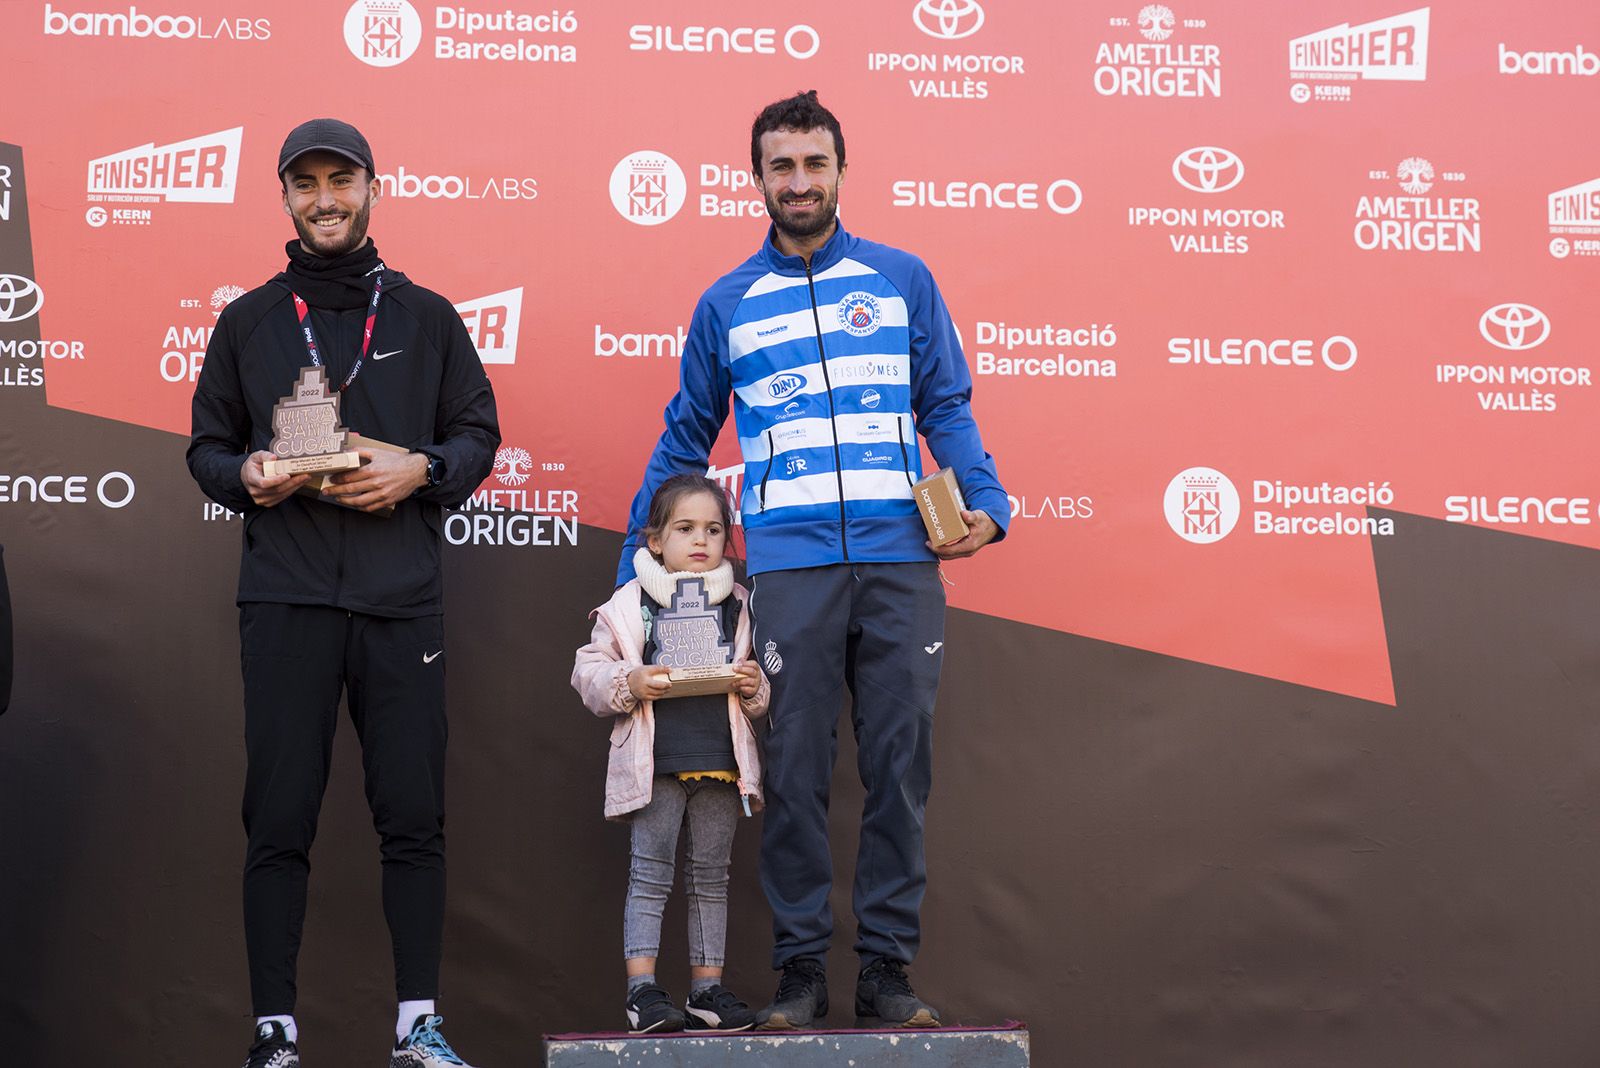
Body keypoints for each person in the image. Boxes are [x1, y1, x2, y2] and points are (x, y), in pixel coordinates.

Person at [617, 91, 1009, 1031]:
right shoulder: (727, 303)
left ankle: (884, 969)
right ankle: (800, 970)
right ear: (756, 179)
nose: (799, 182)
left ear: (841, 170)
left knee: (899, 764)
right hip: (788, 569)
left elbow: (945, 403)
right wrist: (640, 550)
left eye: (814, 164)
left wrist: (986, 500)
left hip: (902, 558)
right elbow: (685, 436)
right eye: (780, 167)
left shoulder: (904, 278)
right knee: (791, 767)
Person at [187, 118, 499, 1068]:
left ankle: (419, 1027)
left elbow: (477, 435)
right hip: (285, 598)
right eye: (307, 183)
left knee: (413, 816)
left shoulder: (426, 316)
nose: (326, 198)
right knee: (278, 818)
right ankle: (274, 1033)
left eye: (343, 179)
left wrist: (422, 472)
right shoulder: (246, 321)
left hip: (400, 597)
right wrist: (250, 473)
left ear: (374, 187)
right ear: (284, 198)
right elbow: (203, 449)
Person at [573, 474, 769, 1034]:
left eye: (713, 529)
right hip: (654, 766)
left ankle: (707, 993)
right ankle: (643, 993)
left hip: (721, 767)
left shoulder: (741, 605)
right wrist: (629, 681)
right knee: (650, 875)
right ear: (655, 540)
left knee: (711, 878)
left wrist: (756, 688)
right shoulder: (630, 603)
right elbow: (587, 671)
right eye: (685, 528)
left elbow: (765, 685)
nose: (701, 540)